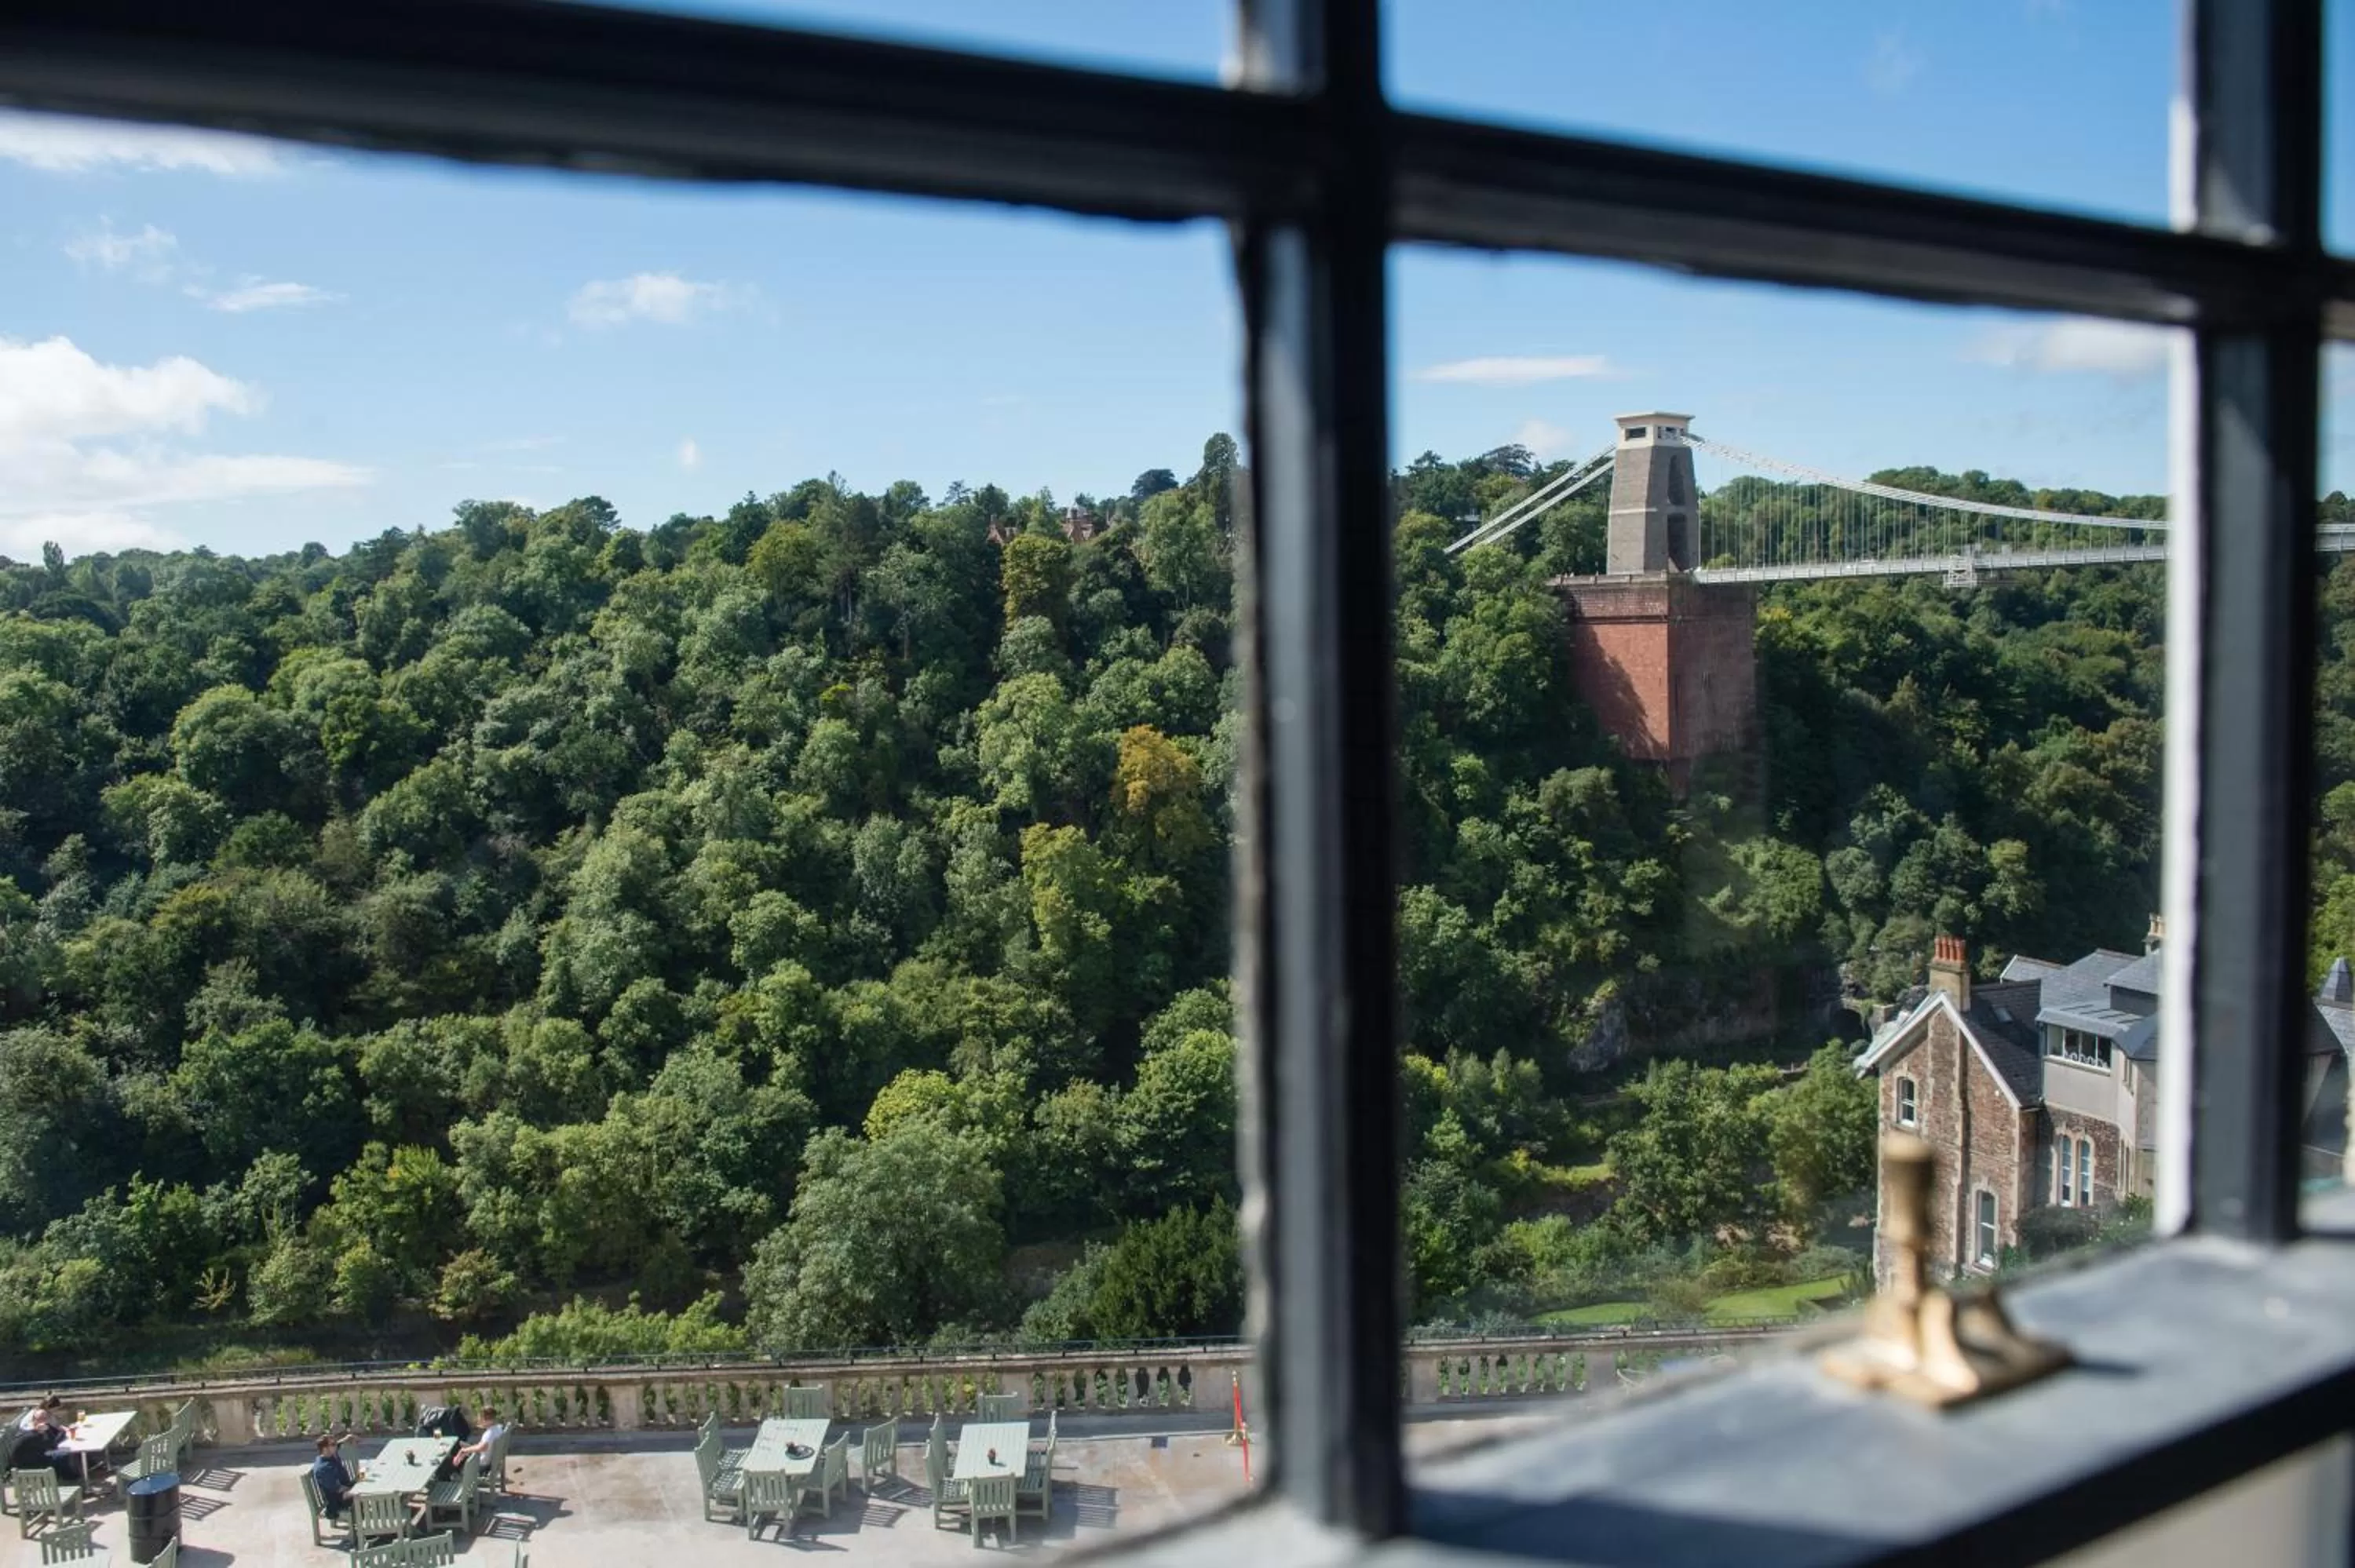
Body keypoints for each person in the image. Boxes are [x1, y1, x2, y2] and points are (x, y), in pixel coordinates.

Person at [311, 1434, 356, 1520]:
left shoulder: (328, 1455)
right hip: (338, 1500)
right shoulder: (324, 1468)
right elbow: (338, 1489)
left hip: (345, 1489)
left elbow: (337, 1445)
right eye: (333, 1444)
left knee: (367, 1478)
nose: (336, 1446)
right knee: (365, 1492)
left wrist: (346, 1438)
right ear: (325, 1449)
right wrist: (357, 1489)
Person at [450, 1406, 507, 1473]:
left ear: (485, 1419)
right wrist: (465, 1448)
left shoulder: (489, 1434)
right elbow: (481, 1446)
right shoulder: (498, 1428)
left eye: (480, 1418)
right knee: (459, 1444)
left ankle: (454, 1475)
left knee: (449, 1463)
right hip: (488, 1459)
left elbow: (482, 1448)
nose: (479, 1420)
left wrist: (463, 1451)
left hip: (481, 1465)